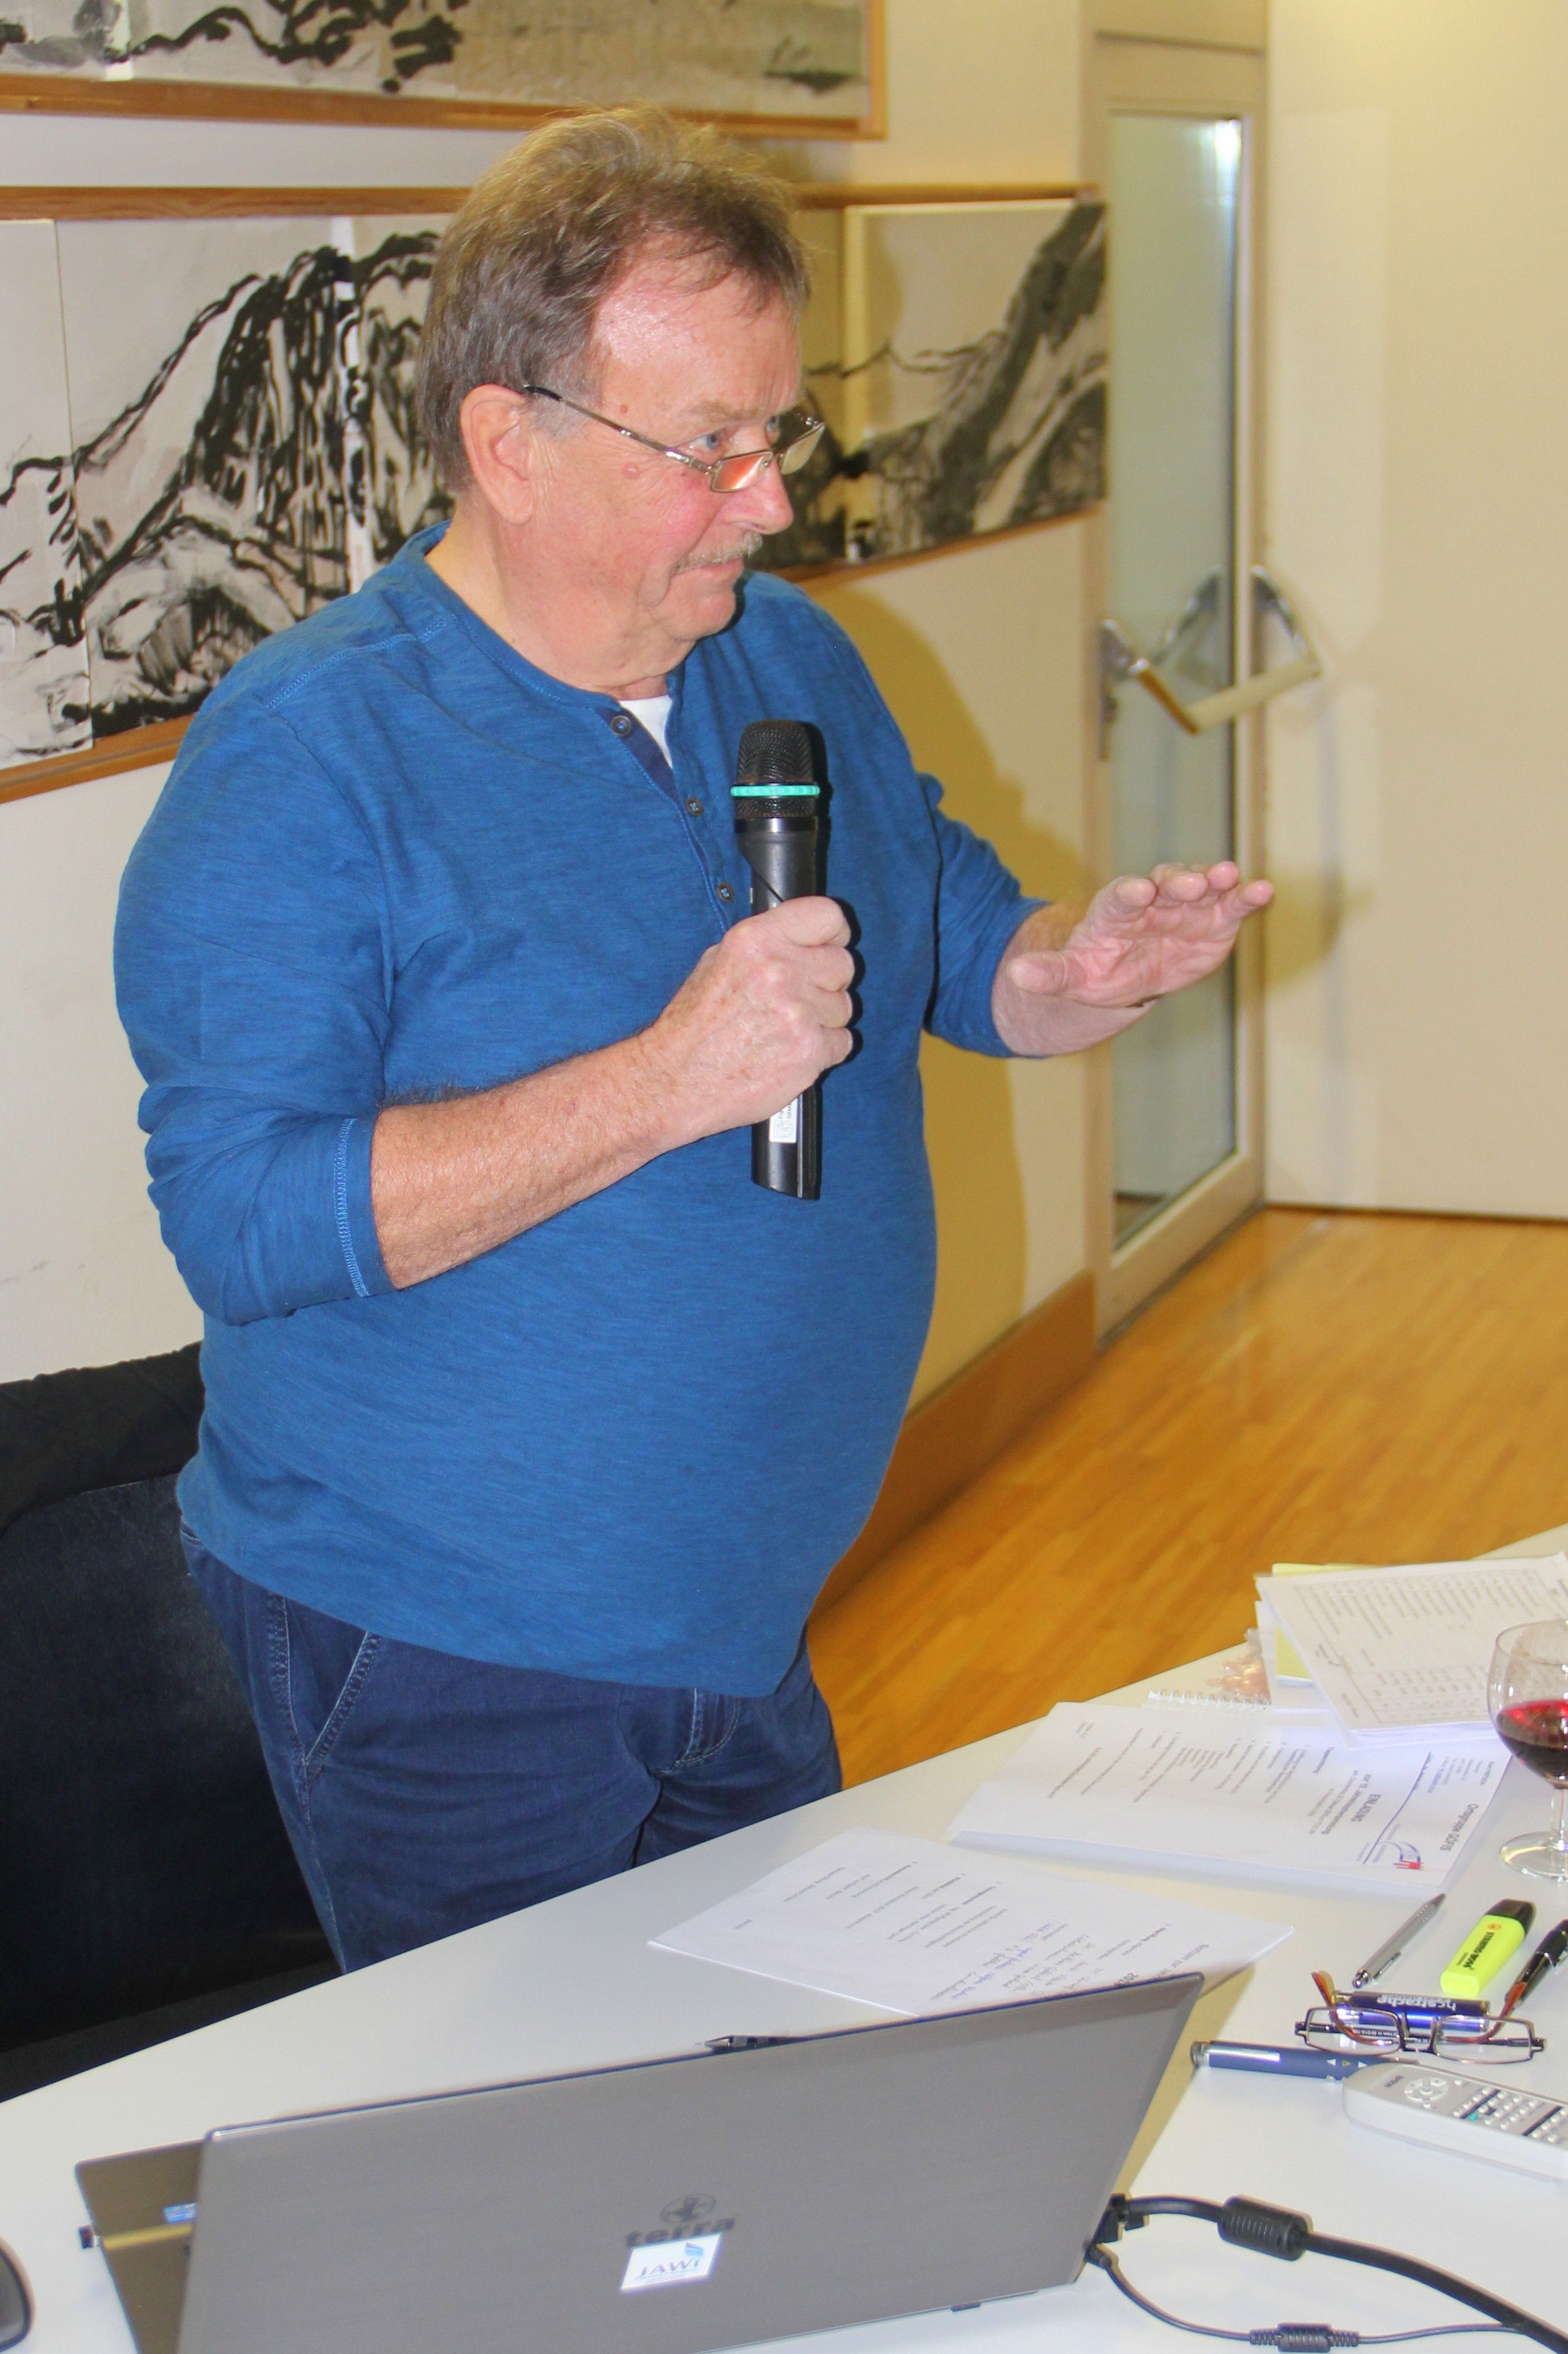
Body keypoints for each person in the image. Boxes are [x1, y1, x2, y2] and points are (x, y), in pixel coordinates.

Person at [114, 108, 1272, 1972]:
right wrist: (668, 1081)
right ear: (511, 443)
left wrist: (1064, 971)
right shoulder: (306, 757)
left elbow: (936, 915)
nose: (770, 499)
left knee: (755, 2089)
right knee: (537, 2137)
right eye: (709, 447)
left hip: (742, 1619)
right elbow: (243, 1219)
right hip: (447, 1653)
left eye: (777, 433)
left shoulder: (783, 654)